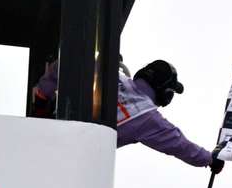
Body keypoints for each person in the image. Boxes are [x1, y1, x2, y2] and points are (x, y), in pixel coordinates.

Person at [32, 57, 220, 171]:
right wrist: (209, 159)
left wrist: (42, 96)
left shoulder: (110, 73)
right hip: (69, 159)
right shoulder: (148, 118)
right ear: (165, 92)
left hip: (45, 133)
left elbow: (67, 62)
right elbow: (180, 144)